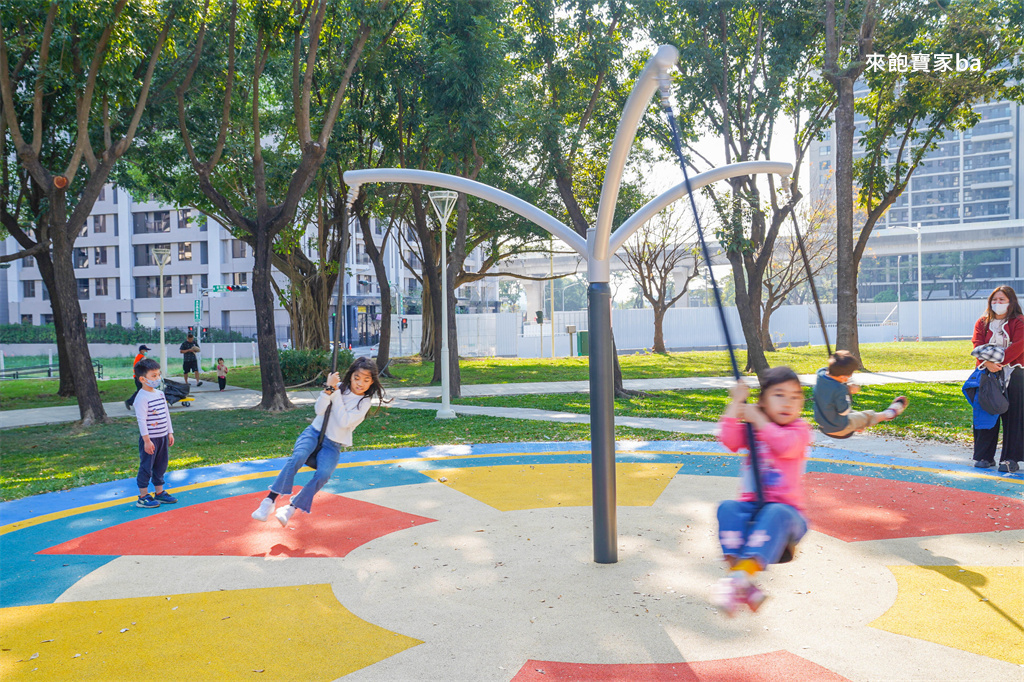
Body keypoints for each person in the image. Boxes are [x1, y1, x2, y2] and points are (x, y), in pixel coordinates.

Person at [711, 367, 812, 616]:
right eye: (779, 395)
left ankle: (736, 580)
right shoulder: (754, 430)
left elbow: (785, 446)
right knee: (727, 508)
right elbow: (728, 439)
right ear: (763, 402)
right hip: (751, 511)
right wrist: (736, 403)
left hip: (788, 518)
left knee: (775, 511)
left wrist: (759, 419)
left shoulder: (799, 429)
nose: (788, 402)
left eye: (795, 396)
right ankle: (742, 582)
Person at [251, 357, 386, 526]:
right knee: (298, 456)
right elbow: (319, 410)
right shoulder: (339, 388)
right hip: (315, 432)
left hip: (333, 443)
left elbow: (344, 422)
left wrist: (334, 392)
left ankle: (291, 508)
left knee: (323, 474)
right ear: (350, 376)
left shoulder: (364, 402)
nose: (360, 383)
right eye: (357, 378)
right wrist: (328, 390)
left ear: (372, 381)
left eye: (366, 380)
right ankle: (268, 502)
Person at [971, 286, 1023, 472]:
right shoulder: (983, 322)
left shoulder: (1019, 322)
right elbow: (977, 344)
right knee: (986, 412)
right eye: (994, 300)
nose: (997, 303)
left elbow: (1019, 345)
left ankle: (1011, 459)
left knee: (1014, 417)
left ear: (1011, 302)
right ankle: (984, 456)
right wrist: (988, 364)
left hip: (1015, 374)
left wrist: (1000, 362)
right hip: (988, 373)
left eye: (1002, 300)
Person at [813, 350, 908, 438]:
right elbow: (844, 411)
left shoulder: (821, 375)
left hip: (825, 421)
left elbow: (832, 384)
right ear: (842, 377)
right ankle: (888, 414)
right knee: (866, 416)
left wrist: (846, 385)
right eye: (849, 377)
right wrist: (847, 391)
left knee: (855, 415)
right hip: (838, 428)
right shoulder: (839, 389)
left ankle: (859, 424)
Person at [132, 358, 178, 509]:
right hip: (150, 439)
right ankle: (143, 496)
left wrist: (169, 432)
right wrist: (146, 440)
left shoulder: (159, 394)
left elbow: (166, 414)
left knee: (161, 465)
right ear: (142, 379)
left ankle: (159, 493)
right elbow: (141, 420)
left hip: (163, 437)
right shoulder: (141, 398)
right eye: (153, 376)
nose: (157, 378)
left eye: (158, 375)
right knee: (147, 466)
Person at [125, 344, 152, 410]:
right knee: (141, 391)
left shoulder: (138, 356)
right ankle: (130, 402)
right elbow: (146, 366)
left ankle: (136, 403)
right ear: (142, 351)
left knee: (141, 391)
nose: (147, 352)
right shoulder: (142, 357)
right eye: (146, 350)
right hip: (140, 377)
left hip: (137, 376)